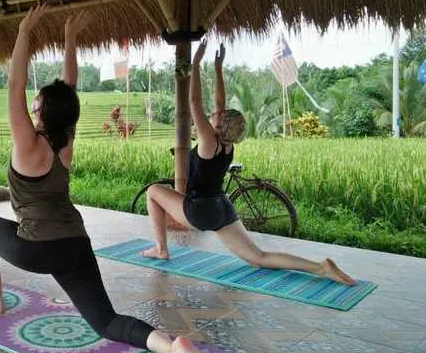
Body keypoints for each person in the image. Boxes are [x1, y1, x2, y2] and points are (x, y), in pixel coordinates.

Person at [0, 4, 216, 353]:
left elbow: (14, 83)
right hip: (75, 243)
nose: (31, 102)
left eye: (36, 103)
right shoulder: (64, 139)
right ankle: (173, 349)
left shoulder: (28, 143)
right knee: (105, 321)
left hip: (35, 247)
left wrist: (24, 31)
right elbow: (69, 88)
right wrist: (69, 38)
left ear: (38, 110)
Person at [141, 40, 355, 286]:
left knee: (153, 191)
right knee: (258, 257)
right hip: (222, 207)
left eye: (220, 114)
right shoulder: (227, 143)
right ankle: (319, 267)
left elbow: (195, 102)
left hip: (200, 210)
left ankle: (160, 248)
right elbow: (219, 103)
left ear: (220, 123)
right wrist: (219, 68)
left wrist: (197, 64)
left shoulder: (208, 140)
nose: (217, 111)